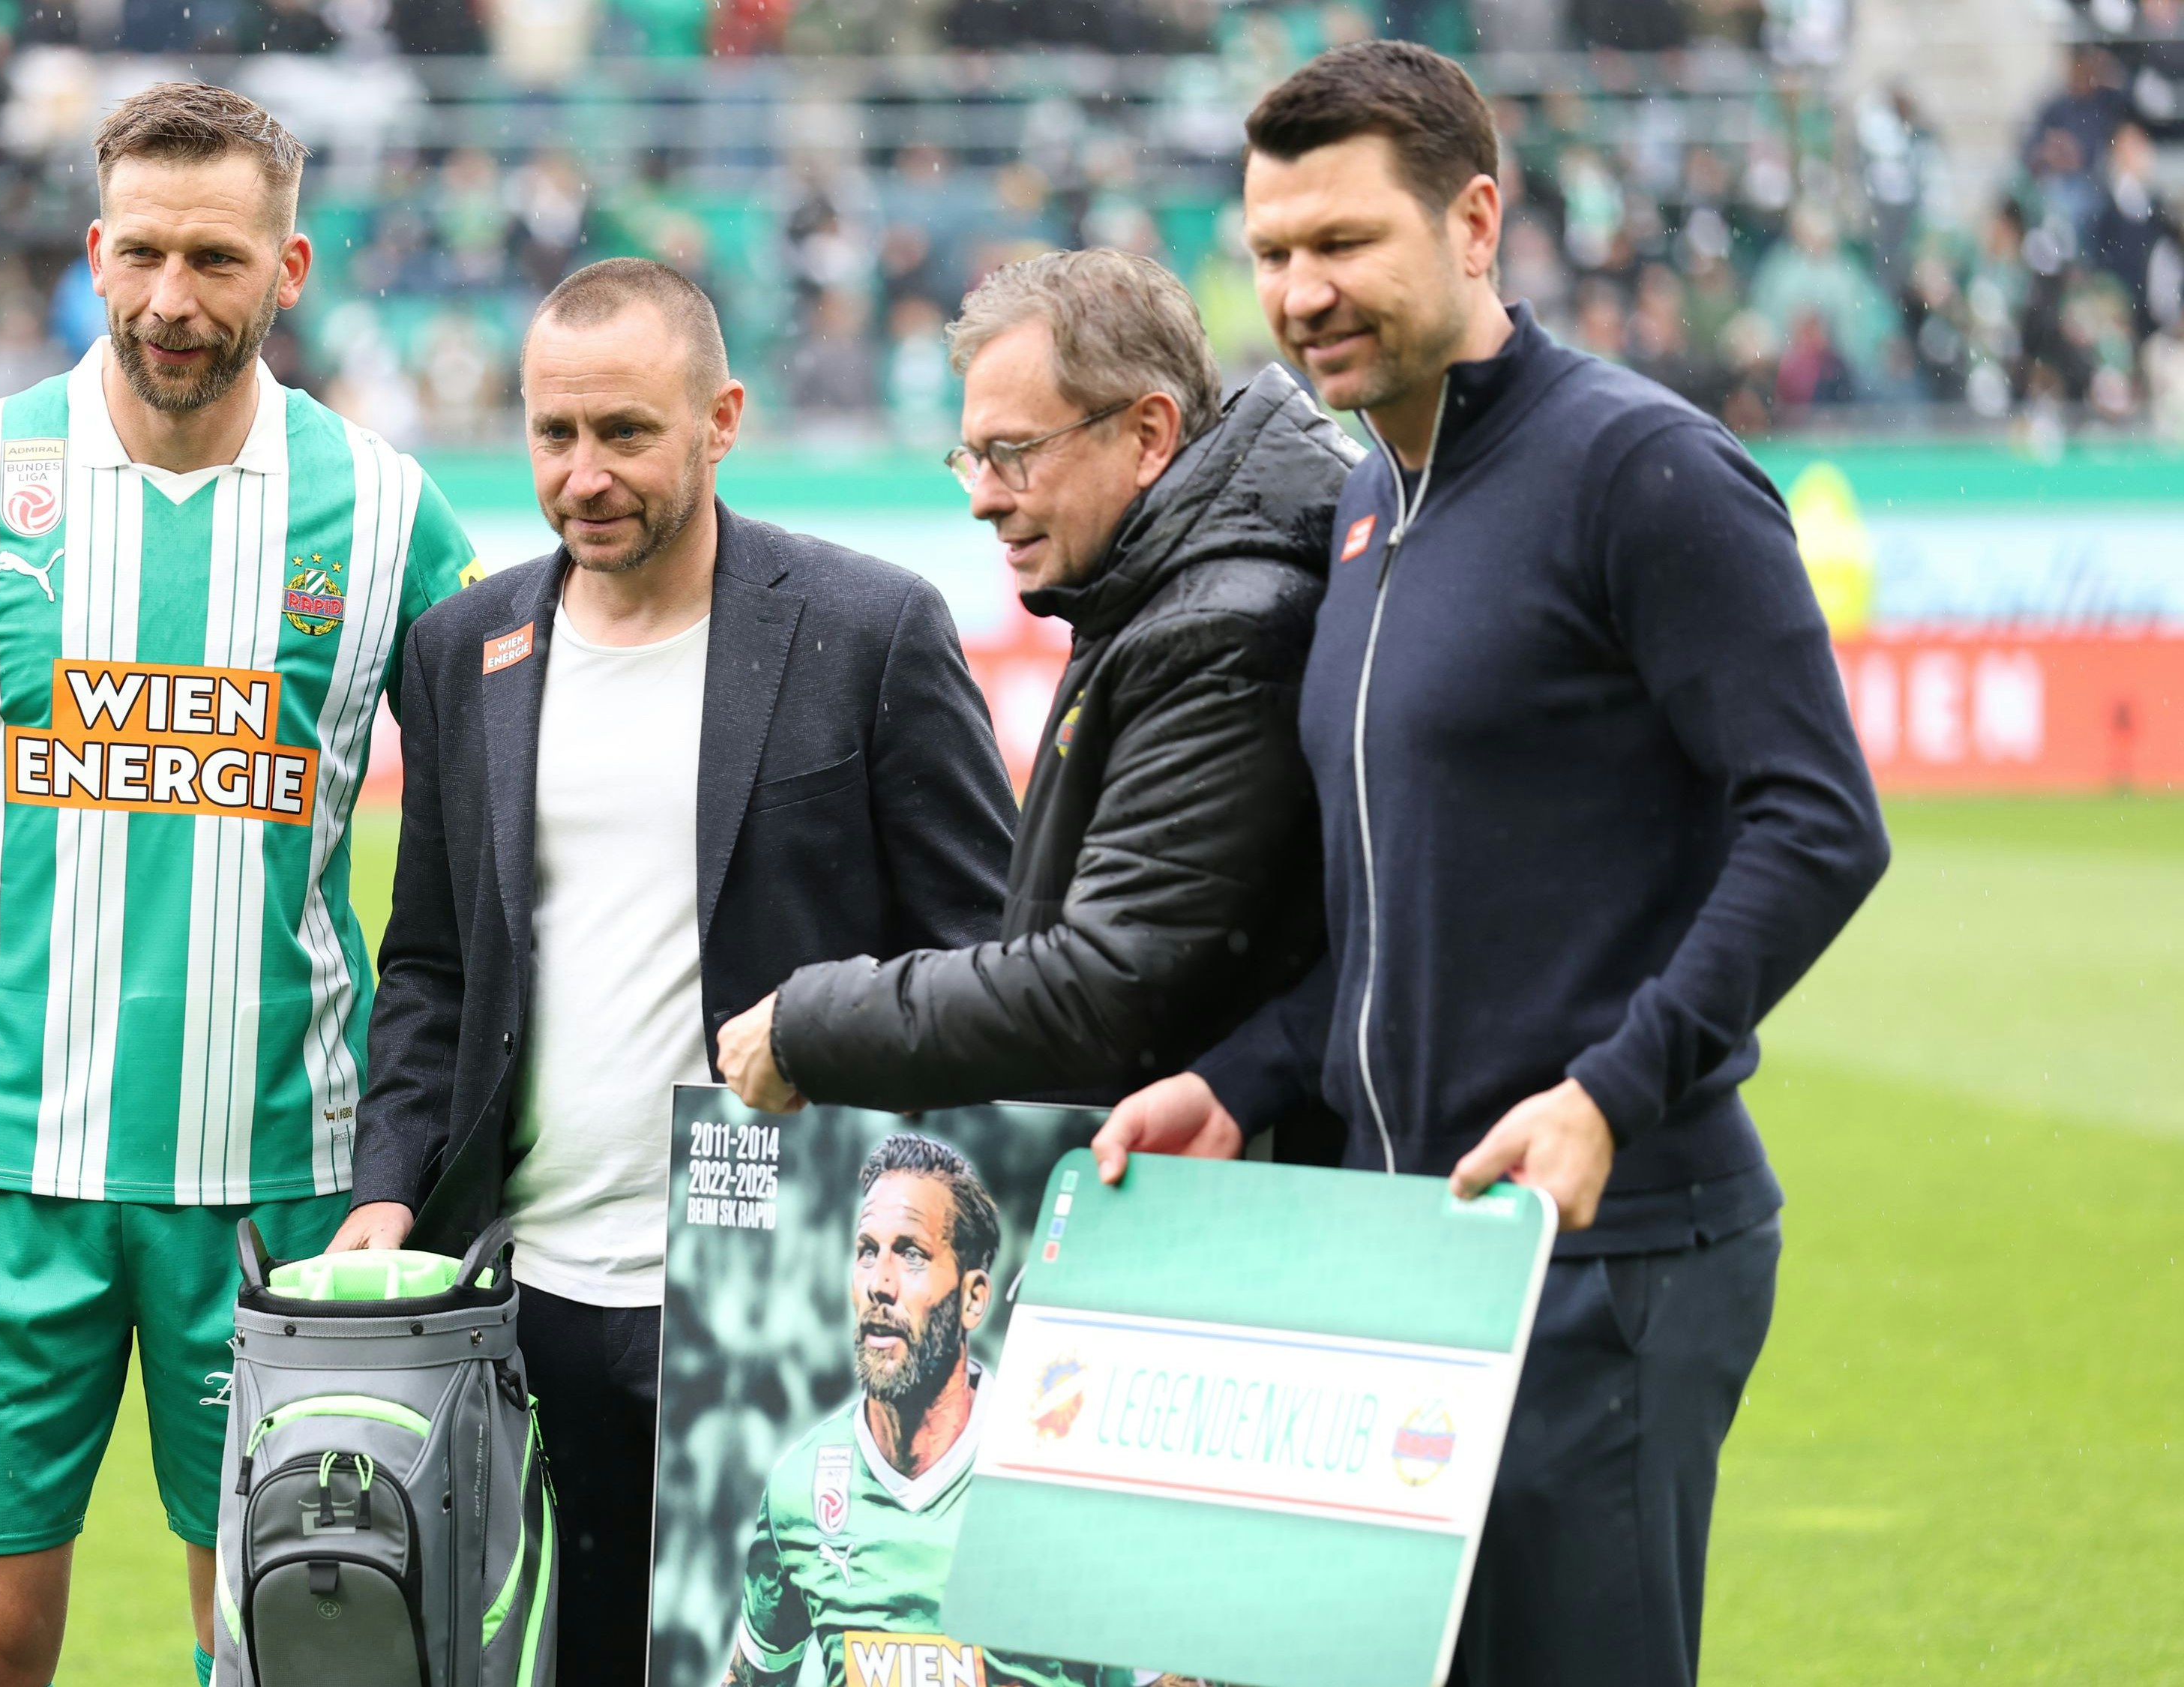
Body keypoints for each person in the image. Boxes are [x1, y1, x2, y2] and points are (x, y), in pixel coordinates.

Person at [1095, 43, 1891, 1687]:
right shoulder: (1365, 507)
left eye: (1343, 244)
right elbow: (1401, 905)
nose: (1300, 292)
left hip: (1606, 1256)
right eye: (1271, 253)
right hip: (1406, 1259)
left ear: (1474, 222)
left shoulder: (1638, 470)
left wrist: (1610, 1091)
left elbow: (1817, 819)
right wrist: (1240, 1077)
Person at [0, 82, 478, 1687]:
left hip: (283, 1195)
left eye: (217, 259)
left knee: (285, 1647)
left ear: (290, 267)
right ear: (93, 253)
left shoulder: (389, 515)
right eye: (144, 256)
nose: (174, 301)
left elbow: (494, 843)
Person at [330, 257, 1014, 1687]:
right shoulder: (465, 653)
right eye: (554, 434)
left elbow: (984, 966)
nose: (584, 475)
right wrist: (389, 1187)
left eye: (627, 433)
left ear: (720, 420)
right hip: (530, 1294)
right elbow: (434, 964)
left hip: (788, 1298)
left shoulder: (868, 631)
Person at [715, 247, 1350, 1157]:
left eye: (1011, 454)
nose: (981, 498)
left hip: (1260, 1199)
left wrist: (813, 1025)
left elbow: (1100, 988)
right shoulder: (1163, 584)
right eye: (969, 458)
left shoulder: (1218, 624)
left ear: (1147, 435)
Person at [732, 1135, 1122, 1687]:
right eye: (867, 1251)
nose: (879, 1285)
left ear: (973, 1298)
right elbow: (750, 1679)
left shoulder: (1068, 1477)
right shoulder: (801, 1489)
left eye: (911, 1254)